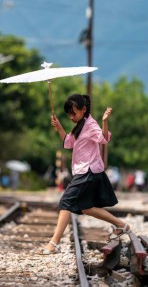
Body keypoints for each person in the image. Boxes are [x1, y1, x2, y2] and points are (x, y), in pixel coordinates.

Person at [38, 94, 130, 255]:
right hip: (84, 171)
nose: (71, 117)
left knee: (66, 202)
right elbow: (68, 143)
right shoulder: (80, 125)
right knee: (86, 208)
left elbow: (104, 139)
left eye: (73, 113)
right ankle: (121, 225)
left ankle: (54, 243)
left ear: (84, 109)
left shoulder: (91, 124)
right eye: (68, 114)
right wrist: (59, 126)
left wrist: (105, 122)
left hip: (88, 171)